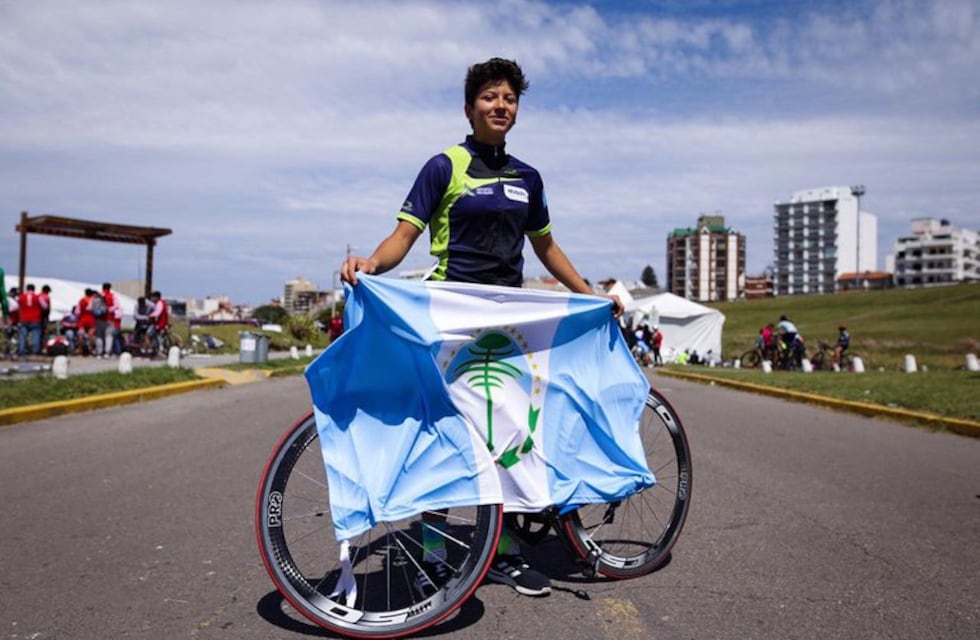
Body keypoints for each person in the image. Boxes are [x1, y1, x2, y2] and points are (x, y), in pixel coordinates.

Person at [340, 58, 623, 598]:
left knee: (509, 432)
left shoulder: (528, 178)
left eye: (510, 98)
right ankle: (431, 550)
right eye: (491, 97)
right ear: (470, 108)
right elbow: (405, 234)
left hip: (508, 318)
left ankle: (505, 550)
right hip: (451, 311)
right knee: (444, 432)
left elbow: (546, 247)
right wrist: (372, 264)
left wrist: (588, 294)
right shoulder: (443, 166)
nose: (501, 106)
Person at [17, 284, 44, 358]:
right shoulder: (38, 297)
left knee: (23, 336)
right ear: (34, 289)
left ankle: (21, 351)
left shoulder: (21, 297)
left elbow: (16, 306)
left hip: (24, 319)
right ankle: (34, 352)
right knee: (36, 336)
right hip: (35, 319)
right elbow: (44, 306)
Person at [146, 291, 169, 357]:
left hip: (159, 324)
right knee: (157, 338)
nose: (152, 299)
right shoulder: (161, 303)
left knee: (147, 335)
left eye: (153, 297)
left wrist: (149, 316)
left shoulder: (160, 303)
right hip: (161, 323)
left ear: (157, 297)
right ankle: (156, 350)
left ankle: (151, 351)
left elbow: (157, 313)